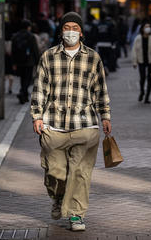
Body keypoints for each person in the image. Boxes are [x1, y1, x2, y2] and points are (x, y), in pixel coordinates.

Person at [31, 12, 111, 232]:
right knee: (55, 172)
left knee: (81, 173)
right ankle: (58, 197)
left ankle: (76, 215)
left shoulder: (93, 58)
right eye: (67, 27)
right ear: (61, 31)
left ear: (82, 32)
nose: (71, 31)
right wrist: (37, 116)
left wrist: (105, 116)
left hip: (85, 124)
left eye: (75, 27)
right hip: (54, 125)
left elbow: (100, 90)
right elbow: (39, 89)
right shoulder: (48, 56)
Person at [12, 20, 41, 104]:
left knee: (22, 78)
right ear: (28, 27)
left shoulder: (15, 36)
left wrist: (13, 62)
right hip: (29, 61)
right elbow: (35, 50)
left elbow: (13, 50)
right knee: (28, 78)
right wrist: (37, 61)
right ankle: (22, 92)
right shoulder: (31, 36)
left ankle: (24, 94)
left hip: (19, 61)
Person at [132, 22, 151, 104]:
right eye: (146, 26)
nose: (148, 28)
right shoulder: (138, 38)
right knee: (142, 78)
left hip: (150, 61)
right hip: (141, 60)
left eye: (149, 26)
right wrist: (134, 62)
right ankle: (142, 92)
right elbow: (134, 50)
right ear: (142, 28)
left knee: (150, 79)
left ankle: (147, 97)